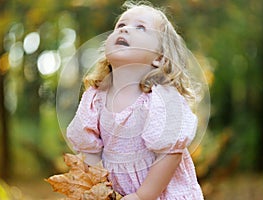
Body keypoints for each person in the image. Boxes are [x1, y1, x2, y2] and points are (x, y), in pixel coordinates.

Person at [67, 1, 204, 199]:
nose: (125, 30)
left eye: (140, 27)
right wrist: (101, 189)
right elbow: (89, 151)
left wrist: (142, 195)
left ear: (159, 57)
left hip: (159, 193)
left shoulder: (164, 99)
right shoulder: (95, 97)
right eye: (120, 26)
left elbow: (170, 155)